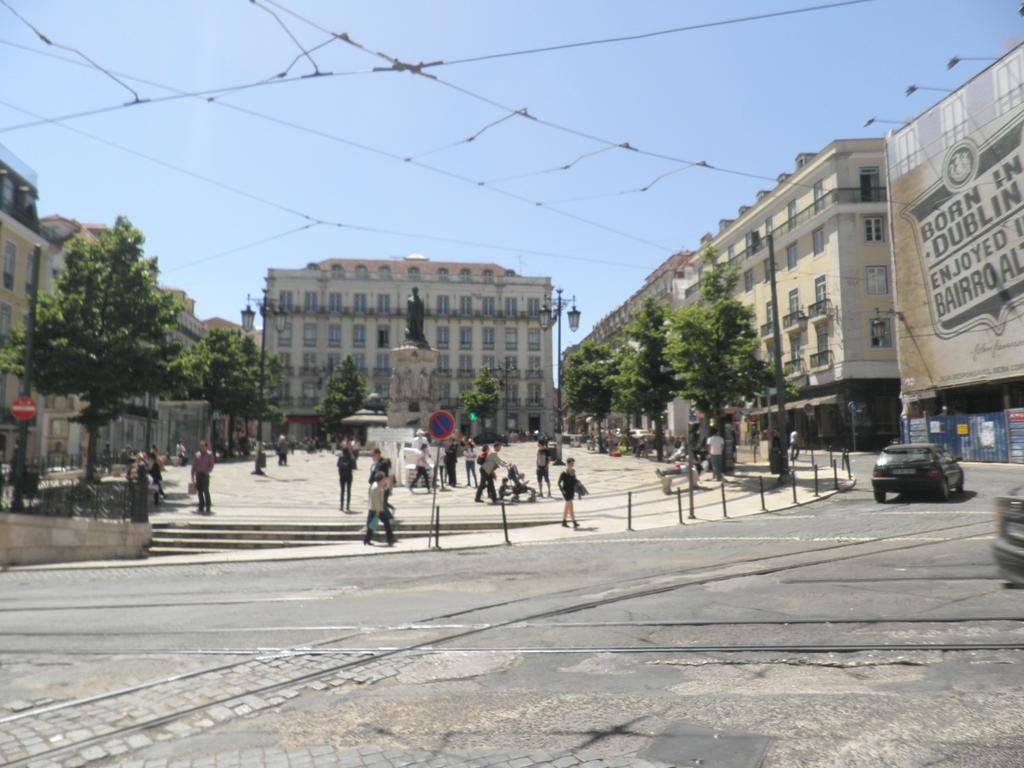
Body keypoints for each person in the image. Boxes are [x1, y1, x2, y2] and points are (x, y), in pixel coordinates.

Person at [364, 471, 395, 546]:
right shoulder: (376, 488)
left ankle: (389, 538)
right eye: (384, 479)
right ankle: (389, 538)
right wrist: (378, 511)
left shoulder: (379, 486)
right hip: (375, 509)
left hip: (377, 509)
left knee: (374, 524)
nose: (385, 480)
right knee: (372, 524)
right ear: (380, 480)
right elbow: (376, 500)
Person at [191, 440, 215, 514]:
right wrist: (192, 475)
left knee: (206, 491)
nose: (201, 448)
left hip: (205, 475)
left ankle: (208, 506)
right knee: (199, 491)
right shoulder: (197, 455)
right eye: (200, 446)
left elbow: (211, 465)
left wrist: (208, 471)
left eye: (203, 446)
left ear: (206, 447)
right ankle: (201, 506)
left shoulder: (209, 455)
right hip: (198, 474)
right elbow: (194, 465)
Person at [558, 457, 581, 529]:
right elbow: (559, 483)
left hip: (571, 491)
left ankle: (564, 521)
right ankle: (573, 521)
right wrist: (562, 491)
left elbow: (574, 480)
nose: (572, 465)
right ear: (567, 464)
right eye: (571, 463)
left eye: (573, 463)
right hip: (566, 491)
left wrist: (578, 483)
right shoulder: (563, 473)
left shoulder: (573, 471)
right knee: (569, 505)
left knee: (568, 506)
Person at [337, 443, 357, 512]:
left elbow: (338, 466)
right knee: (348, 491)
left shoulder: (341, 457)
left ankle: (342, 506)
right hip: (349, 476)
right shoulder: (350, 458)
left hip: (342, 476)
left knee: (342, 491)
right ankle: (347, 506)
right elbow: (354, 467)